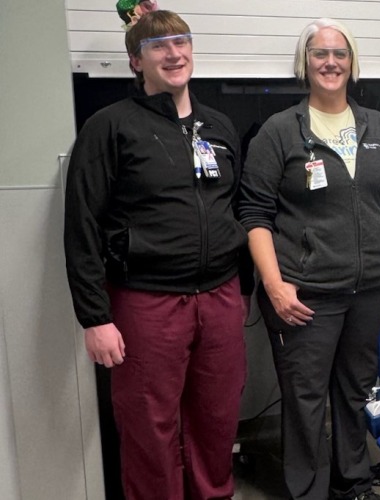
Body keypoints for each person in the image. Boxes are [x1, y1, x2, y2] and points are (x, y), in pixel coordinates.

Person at [63, 10, 249, 500]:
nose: (174, 53)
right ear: (136, 62)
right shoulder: (109, 128)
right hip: (146, 304)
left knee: (216, 420)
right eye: (159, 46)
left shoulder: (219, 126)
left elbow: (236, 209)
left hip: (220, 298)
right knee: (150, 428)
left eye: (182, 42)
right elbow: (81, 225)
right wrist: (94, 317)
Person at [238, 18, 380, 500]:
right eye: (320, 53)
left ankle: (352, 482)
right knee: (305, 399)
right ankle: (309, 492)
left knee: (356, 393)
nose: (330, 62)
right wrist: (274, 285)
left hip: (373, 290)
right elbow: (254, 214)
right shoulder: (280, 131)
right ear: (305, 63)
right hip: (306, 293)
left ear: (352, 63)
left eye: (340, 53)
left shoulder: (376, 126)